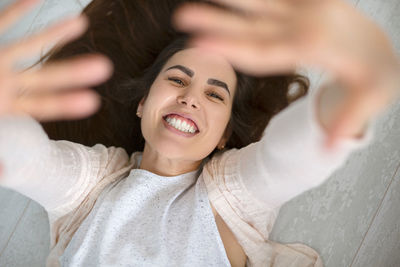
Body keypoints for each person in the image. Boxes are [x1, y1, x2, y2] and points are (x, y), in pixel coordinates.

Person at [0, 0, 398, 267]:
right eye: (177, 79)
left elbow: (289, 159)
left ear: (225, 135)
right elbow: (29, 163)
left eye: (214, 94)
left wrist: (360, 88)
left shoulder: (233, 194)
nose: (191, 98)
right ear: (142, 102)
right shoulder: (92, 185)